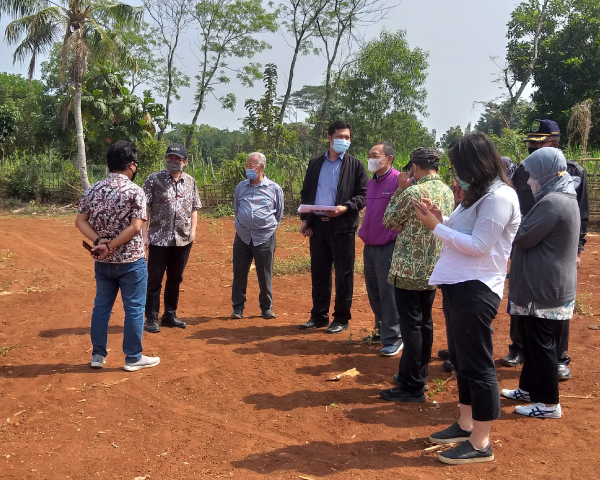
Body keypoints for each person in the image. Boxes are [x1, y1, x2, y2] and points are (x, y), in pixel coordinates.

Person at [414, 133, 520, 464]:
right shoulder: (477, 194)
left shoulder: (499, 198)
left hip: (477, 289)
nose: (455, 171)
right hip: (459, 285)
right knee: (462, 360)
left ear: (476, 163)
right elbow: (463, 233)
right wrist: (441, 219)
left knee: (478, 364)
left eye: (459, 165)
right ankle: (465, 423)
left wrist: (435, 227)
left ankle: (480, 442)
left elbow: (478, 245)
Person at [503, 119, 589, 382]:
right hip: (525, 241)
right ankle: (518, 348)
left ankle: (559, 358)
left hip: (551, 245)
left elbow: (581, 215)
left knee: (552, 305)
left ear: (553, 144)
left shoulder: (571, 174)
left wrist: (577, 249)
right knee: (522, 299)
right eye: (529, 144)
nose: (531, 149)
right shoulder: (523, 172)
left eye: (536, 145)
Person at [501, 147, 580, 419]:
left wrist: (513, 224)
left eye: (533, 175)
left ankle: (548, 403)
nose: (529, 181)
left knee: (541, 343)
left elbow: (522, 236)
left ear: (546, 175)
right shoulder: (560, 197)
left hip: (543, 288)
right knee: (533, 341)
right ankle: (527, 388)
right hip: (544, 285)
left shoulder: (552, 203)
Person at [75, 140, 160, 372]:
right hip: (131, 261)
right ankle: (133, 357)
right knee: (133, 308)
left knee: (101, 307)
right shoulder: (135, 192)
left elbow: (80, 220)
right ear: (131, 165)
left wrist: (98, 242)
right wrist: (111, 245)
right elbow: (135, 227)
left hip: (103, 263)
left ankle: (97, 355)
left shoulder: (93, 189)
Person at [378, 147, 454, 401]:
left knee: (411, 325)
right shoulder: (446, 191)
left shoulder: (412, 191)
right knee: (425, 322)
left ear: (414, 167)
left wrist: (399, 189)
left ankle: (412, 385)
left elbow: (388, 220)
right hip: (434, 267)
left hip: (409, 269)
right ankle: (418, 375)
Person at [298, 120, 368, 334]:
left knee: (344, 274)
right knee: (319, 272)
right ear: (329, 138)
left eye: (347, 137)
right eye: (340, 137)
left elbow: (363, 195)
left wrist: (344, 208)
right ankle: (318, 316)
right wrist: (306, 220)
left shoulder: (356, 165)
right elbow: (306, 192)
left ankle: (341, 318)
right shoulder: (315, 164)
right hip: (318, 226)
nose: (344, 141)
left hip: (343, 227)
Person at [142, 143, 202, 333]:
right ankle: (151, 317)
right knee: (155, 279)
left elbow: (194, 208)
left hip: (183, 239)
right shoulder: (153, 179)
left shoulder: (191, 182)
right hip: (159, 238)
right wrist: (144, 235)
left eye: (177, 159)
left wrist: (193, 232)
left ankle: (169, 314)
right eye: (170, 158)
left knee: (176, 278)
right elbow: (146, 208)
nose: (173, 162)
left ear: (184, 162)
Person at [357, 141, 402, 355]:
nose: (371, 159)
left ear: (389, 159)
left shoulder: (398, 181)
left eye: (375, 155)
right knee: (374, 290)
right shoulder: (372, 182)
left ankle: (394, 336)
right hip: (370, 244)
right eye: (370, 155)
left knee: (388, 292)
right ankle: (381, 329)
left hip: (387, 245)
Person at [230, 152, 284, 319]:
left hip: (265, 237)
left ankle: (266, 308)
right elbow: (237, 208)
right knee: (239, 272)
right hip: (243, 235)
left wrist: (266, 227)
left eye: (251, 166)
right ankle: (237, 308)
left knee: (265, 273)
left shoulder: (274, 189)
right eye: (247, 165)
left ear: (261, 167)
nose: (247, 169)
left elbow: (279, 214)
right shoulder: (241, 187)